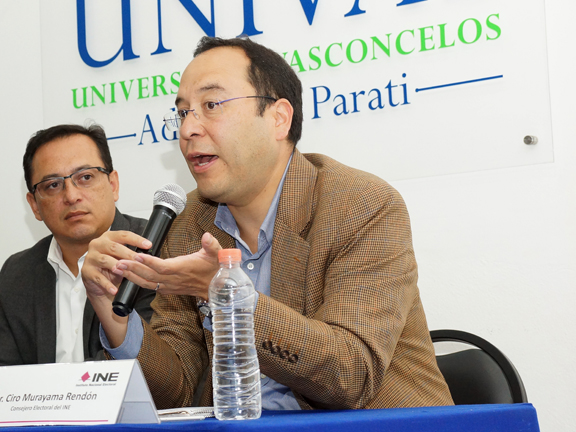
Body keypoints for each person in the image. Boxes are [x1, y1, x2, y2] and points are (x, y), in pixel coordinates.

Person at [81, 37, 453, 410]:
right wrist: (113, 312)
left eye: (211, 105)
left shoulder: (360, 205)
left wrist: (227, 295)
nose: (188, 129)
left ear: (279, 118)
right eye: (182, 113)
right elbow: (173, 393)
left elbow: (350, 376)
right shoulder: (190, 222)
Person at [0, 124, 155, 419]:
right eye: (52, 185)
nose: (71, 195)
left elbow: (137, 373)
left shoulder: (152, 248)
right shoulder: (20, 272)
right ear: (35, 206)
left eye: (85, 177)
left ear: (113, 185)